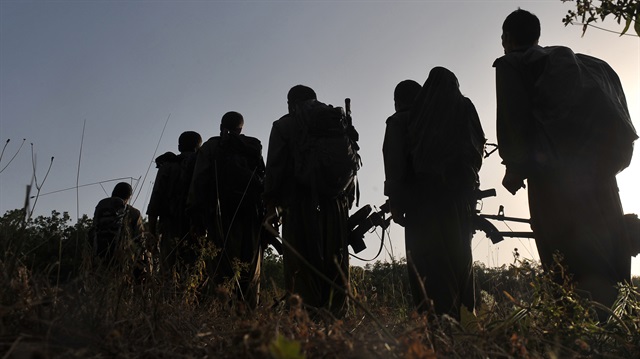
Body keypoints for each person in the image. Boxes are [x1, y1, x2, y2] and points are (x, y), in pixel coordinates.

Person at [494, 8, 637, 315]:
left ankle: (578, 338)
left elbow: (513, 122)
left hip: (554, 186)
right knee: (610, 259)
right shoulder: (589, 66)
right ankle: (617, 335)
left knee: (565, 267)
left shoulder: (513, 64)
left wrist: (514, 169)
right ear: (537, 35)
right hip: (602, 181)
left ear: (506, 38)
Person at [384, 69, 485, 320]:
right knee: (461, 264)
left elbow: (395, 165)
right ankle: (466, 326)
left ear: (398, 101)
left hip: (424, 207)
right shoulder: (458, 111)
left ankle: (438, 331)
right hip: (462, 202)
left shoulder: (402, 121)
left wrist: (396, 202)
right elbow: (476, 148)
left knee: (429, 270)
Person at [263, 85, 356, 316]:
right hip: (336, 204)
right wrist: (346, 200)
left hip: (299, 206)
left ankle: (305, 327)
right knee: (336, 264)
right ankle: (337, 325)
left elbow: (274, 169)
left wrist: (270, 206)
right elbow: (352, 163)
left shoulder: (283, 125)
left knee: (301, 266)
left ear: (290, 103)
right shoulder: (338, 120)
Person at [188, 111, 265, 308]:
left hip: (219, 215)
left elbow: (199, 182)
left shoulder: (211, 146)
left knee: (220, 267)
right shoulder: (253, 145)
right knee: (250, 270)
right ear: (241, 128)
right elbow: (263, 180)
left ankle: (220, 313)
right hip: (251, 216)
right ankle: (248, 316)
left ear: (220, 125)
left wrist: (197, 219)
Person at [146, 131, 202, 278]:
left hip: (170, 226)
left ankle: (167, 300)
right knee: (194, 274)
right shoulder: (202, 164)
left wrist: (151, 232)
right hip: (195, 228)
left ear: (179, 146)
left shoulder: (167, 166)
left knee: (168, 273)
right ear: (199, 147)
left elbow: (155, 199)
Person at [92, 182, 148, 278]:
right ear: (129, 196)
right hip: (122, 259)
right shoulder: (134, 213)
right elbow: (140, 239)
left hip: (99, 256)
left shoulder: (100, 207)